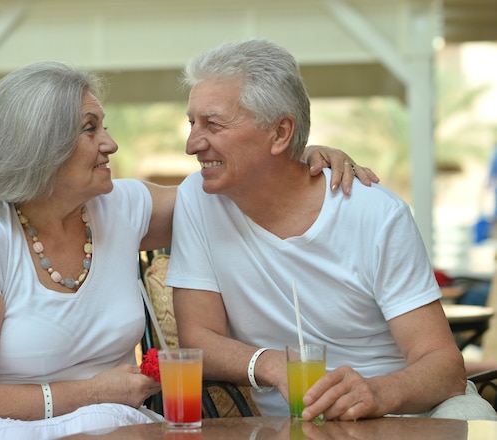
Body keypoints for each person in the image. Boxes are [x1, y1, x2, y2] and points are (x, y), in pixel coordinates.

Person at [0, 61, 372, 439]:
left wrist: (292, 156)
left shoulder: (120, 206)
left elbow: (234, 186)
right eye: (89, 130)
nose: (110, 144)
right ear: (41, 147)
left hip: (113, 428)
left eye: (104, 127)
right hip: (4, 430)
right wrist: (91, 393)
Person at [167, 39, 497, 421]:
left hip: (400, 413)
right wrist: (273, 365)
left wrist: (375, 393)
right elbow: (198, 339)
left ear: (280, 134)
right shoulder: (198, 198)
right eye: (192, 123)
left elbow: (444, 367)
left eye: (213, 124)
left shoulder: (375, 213)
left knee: (476, 418)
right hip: (285, 421)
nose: (192, 144)